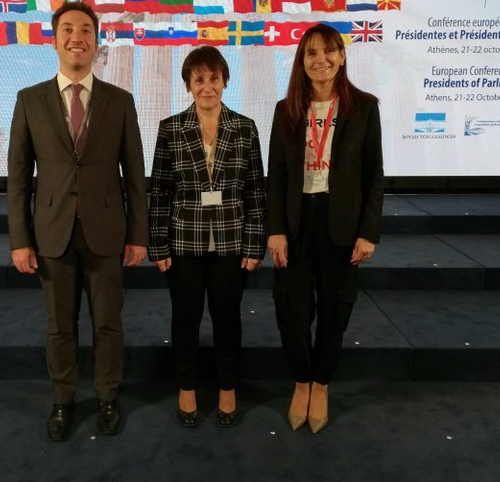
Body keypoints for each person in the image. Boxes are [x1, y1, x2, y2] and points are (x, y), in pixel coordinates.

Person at [7, 0, 148, 441]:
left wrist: (138, 235)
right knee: (59, 328)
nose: (76, 37)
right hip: (52, 234)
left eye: (85, 29)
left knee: (108, 323)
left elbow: (135, 175)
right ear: (54, 40)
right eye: (67, 29)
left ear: (96, 40)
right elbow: (18, 177)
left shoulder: (120, 101)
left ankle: (107, 396)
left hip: (107, 233)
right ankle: (63, 399)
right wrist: (19, 239)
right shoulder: (28, 100)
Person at [267, 24, 384, 434]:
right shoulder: (286, 109)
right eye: (312, 53)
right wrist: (275, 230)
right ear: (302, 60)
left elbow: (374, 175)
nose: (321, 60)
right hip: (296, 223)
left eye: (329, 51)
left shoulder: (364, 107)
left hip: (342, 226)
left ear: (342, 56)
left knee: (335, 312)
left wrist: (369, 232)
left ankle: (321, 383)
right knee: (293, 312)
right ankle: (301, 380)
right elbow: (277, 175)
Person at [148, 46, 266, 428]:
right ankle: (186, 388)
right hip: (183, 242)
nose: (207, 87)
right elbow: (160, 191)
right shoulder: (170, 129)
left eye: (214, 78)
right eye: (199, 79)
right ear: (188, 84)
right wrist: (158, 245)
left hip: (232, 243)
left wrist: (255, 244)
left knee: (227, 319)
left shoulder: (245, 128)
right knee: (185, 319)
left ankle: (227, 388)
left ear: (224, 81)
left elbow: (255, 190)